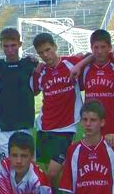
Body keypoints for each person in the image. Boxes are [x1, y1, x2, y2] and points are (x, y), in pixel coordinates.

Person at [32, 32, 83, 185]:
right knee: (51, 171)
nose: (45, 55)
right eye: (41, 53)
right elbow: (34, 90)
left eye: (48, 50)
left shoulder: (71, 63)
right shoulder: (42, 71)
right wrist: (35, 70)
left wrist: (81, 62)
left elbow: (93, 56)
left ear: (55, 46)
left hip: (66, 127)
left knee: (53, 172)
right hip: (45, 126)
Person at [0, 27, 37, 162]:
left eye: (13, 45)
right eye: (6, 46)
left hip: (24, 125)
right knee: (5, 167)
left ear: (20, 44)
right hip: (1, 128)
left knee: (27, 166)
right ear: (0, 46)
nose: (10, 49)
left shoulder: (30, 65)